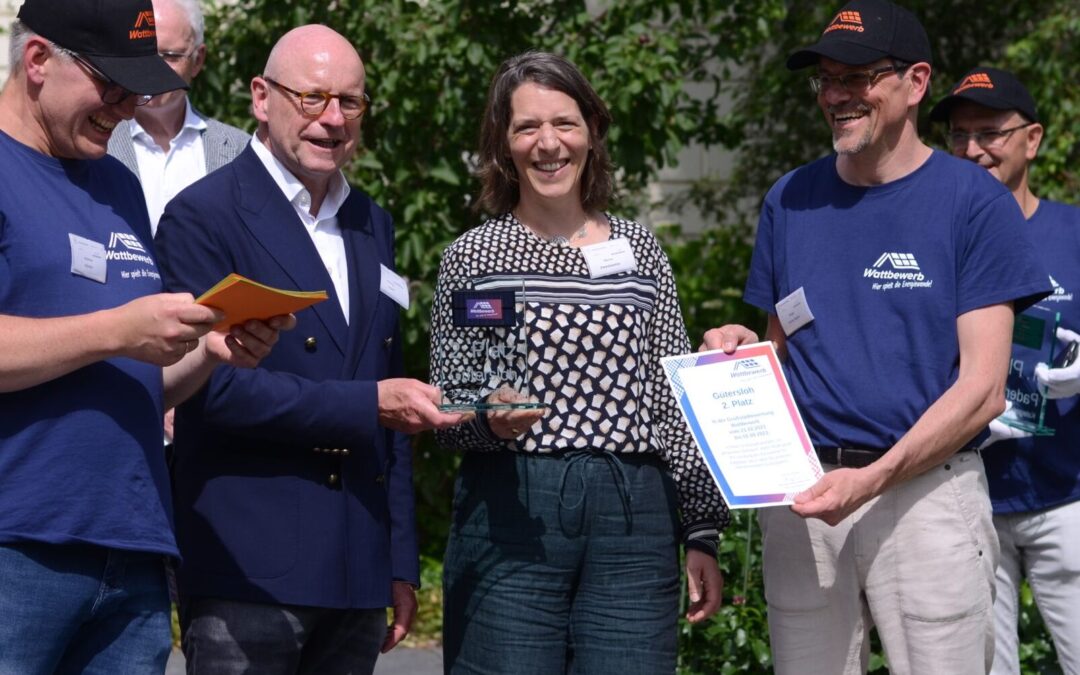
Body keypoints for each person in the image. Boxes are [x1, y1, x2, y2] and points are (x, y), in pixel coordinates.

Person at [704, 1, 1052, 673]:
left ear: (916, 82)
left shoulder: (973, 201)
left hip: (927, 495)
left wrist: (871, 478)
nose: (836, 95)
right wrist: (737, 353)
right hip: (805, 497)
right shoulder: (790, 199)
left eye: (858, 77)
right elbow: (781, 348)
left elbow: (982, 390)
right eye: (826, 79)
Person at [152, 24, 466, 675]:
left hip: (355, 568)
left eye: (350, 102)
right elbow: (215, 390)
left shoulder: (371, 220)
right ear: (261, 98)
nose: (332, 119)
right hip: (250, 568)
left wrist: (399, 559)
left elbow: (390, 386)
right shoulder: (203, 215)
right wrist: (368, 403)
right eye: (312, 97)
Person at [0, 0, 289, 672]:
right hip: (19, 544)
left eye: (139, 89)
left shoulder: (117, 185)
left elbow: (139, 374)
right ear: (39, 60)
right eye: (112, 84)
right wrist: (117, 328)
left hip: (132, 548)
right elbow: (115, 338)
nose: (127, 106)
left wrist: (213, 349)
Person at [430, 51, 739, 675]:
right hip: (511, 512)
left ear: (592, 131)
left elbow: (671, 398)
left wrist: (702, 528)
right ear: (504, 143)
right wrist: (489, 419)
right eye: (527, 127)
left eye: (565, 123)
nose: (548, 144)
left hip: (634, 518)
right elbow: (447, 402)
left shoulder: (640, 248)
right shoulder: (473, 257)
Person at [931, 66, 1080, 675]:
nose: (971, 150)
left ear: (1032, 138)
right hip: (967, 489)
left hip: (1066, 492)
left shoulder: (1072, 230)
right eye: (958, 135)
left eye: (990, 132)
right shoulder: (933, 239)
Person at [107, 0, 249, 236]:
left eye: (170, 56)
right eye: (144, 52)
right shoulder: (96, 141)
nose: (153, 69)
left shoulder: (239, 151)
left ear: (198, 60)